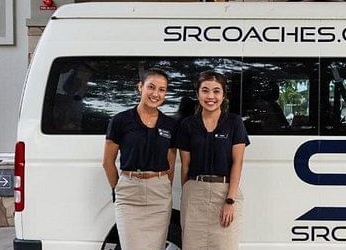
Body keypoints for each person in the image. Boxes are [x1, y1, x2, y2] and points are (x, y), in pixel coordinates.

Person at [102, 68, 178, 250]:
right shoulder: (120, 121)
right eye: (151, 87)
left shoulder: (170, 124)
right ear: (140, 87)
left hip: (159, 194)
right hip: (129, 193)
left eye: (162, 89)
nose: (156, 94)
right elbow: (107, 162)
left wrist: (164, 185)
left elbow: (171, 162)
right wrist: (118, 188)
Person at [177, 71, 249, 249]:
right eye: (205, 90)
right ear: (198, 94)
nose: (211, 96)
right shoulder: (188, 124)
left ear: (223, 95)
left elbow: (237, 163)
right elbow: (185, 166)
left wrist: (230, 201)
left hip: (224, 194)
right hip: (195, 194)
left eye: (216, 91)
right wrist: (188, 194)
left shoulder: (234, 122)